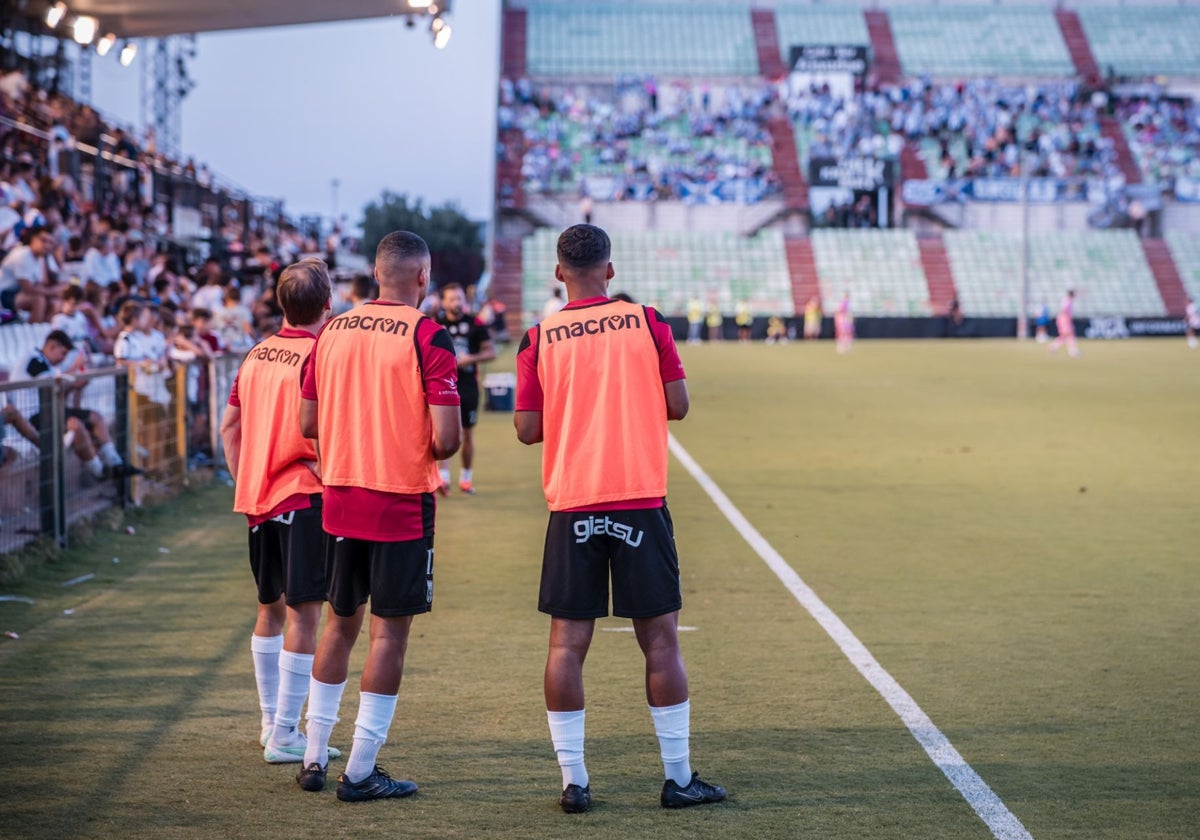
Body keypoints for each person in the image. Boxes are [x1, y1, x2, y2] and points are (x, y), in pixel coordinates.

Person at [514, 224, 726, 814]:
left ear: (559, 274)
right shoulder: (647, 322)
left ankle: (574, 783)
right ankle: (679, 780)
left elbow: (528, 429)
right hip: (639, 496)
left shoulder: (539, 336)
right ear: (611, 270)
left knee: (566, 644)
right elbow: (679, 405)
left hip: (573, 502)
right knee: (660, 641)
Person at [298, 231, 461, 801]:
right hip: (398, 501)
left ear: (374, 271)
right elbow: (445, 441)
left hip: (340, 496)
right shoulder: (429, 334)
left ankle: (314, 757)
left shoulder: (332, 330)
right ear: (423, 276)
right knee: (388, 634)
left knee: (338, 624)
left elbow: (308, 423)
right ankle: (362, 771)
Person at [220, 258, 341, 769]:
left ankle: (271, 722)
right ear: (328, 305)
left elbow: (230, 427)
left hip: (259, 498)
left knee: (269, 608)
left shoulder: (256, 355)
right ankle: (287, 734)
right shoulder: (323, 355)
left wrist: (247, 476)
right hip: (304, 493)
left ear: (280, 303)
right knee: (305, 615)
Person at [11, 330, 140, 480]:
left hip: (50, 411)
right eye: (63, 353)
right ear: (52, 346)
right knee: (76, 425)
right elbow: (52, 385)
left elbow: (59, 390)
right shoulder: (34, 360)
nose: (63, 359)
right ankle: (99, 472)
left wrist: (77, 384)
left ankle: (116, 463)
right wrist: (74, 368)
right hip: (33, 416)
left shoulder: (47, 364)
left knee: (94, 417)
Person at [435, 282, 496, 495]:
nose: (456, 302)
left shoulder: (475, 323)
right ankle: (443, 479)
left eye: (459, 298)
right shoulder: (436, 324)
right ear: (443, 302)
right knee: (443, 430)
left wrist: (471, 358)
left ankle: (466, 477)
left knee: (467, 433)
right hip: (442, 384)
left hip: (468, 385)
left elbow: (491, 352)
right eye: (451, 299)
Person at [0, 226, 59, 322]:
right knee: (39, 299)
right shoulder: (23, 254)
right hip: (3, 295)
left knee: (53, 302)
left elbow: (39, 284)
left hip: (16, 294)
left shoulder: (39, 257)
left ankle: (43, 330)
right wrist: (53, 292)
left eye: (50, 242)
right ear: (33, 239)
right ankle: (34, 331)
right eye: (43, 240)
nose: (47, 245)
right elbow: (28, 288)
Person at [1048, 289, 1079, 357]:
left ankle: (1053, 347)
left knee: (1064, 336)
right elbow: (1063, 310)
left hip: (1063, 319)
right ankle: (1072, 351)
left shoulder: (1068, 300)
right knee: (1070, 335)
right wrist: (1066, 319)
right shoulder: (1067, 301)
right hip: (1064, 320)